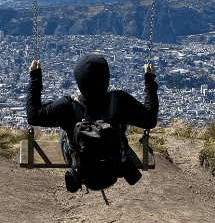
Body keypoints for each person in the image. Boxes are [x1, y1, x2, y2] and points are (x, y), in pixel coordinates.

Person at [26, 53, 159, 192]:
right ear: (107, 79)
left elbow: (33, 116)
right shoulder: (120, 101)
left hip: (83, 173)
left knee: (65, 129)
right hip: (113, 170)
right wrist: (150, 83)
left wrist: (35, 78)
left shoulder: (67, 106)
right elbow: (150, 120)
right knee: (116, 130)